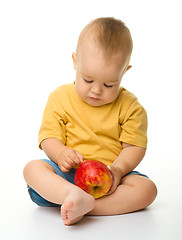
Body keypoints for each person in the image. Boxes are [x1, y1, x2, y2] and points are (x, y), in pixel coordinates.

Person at [23, 17, 157, 226]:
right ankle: (70, 195)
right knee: (32, 168)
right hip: (67, 176)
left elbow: (134, 146)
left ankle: (87, 206)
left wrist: (119, 170)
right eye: (88, 80)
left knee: (147, 189)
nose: (96, 90)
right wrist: (60, 154)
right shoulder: (60, 97)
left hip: (111, 182)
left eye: (109, 84)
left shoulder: (130, 106)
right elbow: (48, 137)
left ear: (124, 72)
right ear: (75, 62)